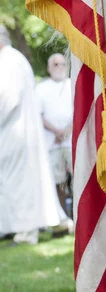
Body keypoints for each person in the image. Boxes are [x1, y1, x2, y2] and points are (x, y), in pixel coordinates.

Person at [0, 26, 61, 245]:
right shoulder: (13, 59)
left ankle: (26, 231)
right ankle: (32, 226)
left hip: (15, 130)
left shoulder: (9, 62)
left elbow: (8, 98)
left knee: (19, 180)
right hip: (18, 130)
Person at [35, 53, 73, 228]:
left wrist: (66, 131)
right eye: (55, 65)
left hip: (71, 141)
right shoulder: (41, 89)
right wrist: (57, 132)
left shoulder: (72, 85)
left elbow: (79, 110)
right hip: (52, 143)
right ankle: (62, 219)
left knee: (76, 178)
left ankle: (78, 215)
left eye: (62, 64)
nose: (59, 67)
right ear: (49, 68)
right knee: (58, 182)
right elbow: (38, 114)